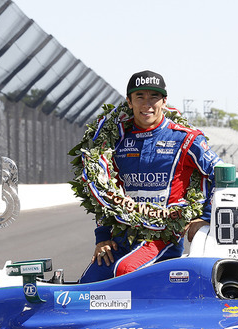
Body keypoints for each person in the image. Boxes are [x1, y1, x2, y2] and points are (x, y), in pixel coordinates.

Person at [80, 70, 221, 283]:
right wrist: (103, 238)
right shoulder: (113, 141)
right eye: (140, 97)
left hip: (161, 238)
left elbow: (222, 173)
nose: (147, 104)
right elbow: (104, 193)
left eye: (154, 96)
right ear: (129, 102)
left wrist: (205, 217)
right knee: (89, 282)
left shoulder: (185, 138)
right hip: (121, 238)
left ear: (164, 101)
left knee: (126, 272)